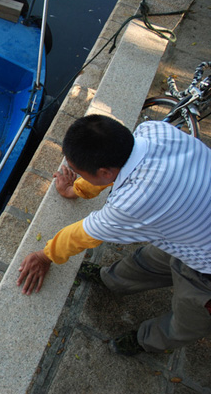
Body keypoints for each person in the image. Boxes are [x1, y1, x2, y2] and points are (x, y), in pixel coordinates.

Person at [16, 114, 211, 355]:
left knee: (189, 321)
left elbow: (83, 234)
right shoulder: (154, 130)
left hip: (207, 269)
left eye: (79, 172)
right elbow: (117, 170)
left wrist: (45, 256)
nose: (78, 175)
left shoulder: (133, 204)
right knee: (147, 261)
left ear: (104, 172)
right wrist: (75, 189)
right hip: (189, 225)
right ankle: (111, 279)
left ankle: (145, 341)